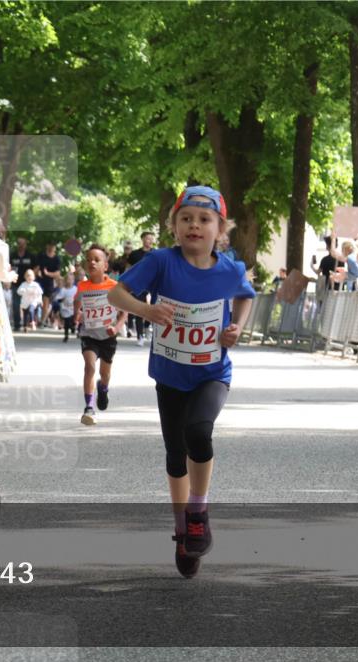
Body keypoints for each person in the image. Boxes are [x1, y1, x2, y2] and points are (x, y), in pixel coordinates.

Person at [108, 185, 255, 579]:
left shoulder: (230, 269)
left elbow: (245, 296)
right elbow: (117, 295)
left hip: (212, 373)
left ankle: (198, 512)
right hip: (171, 375)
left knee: (199, 433)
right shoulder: (160, 262)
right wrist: (146, 310)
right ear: (174, 227)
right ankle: (181, 529)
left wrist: (237, 327)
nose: (195, 225)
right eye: (186, 218)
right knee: (176, 456)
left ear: (220, 230)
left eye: (205, 219)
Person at [75, 244, 126, 426]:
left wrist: (116, 328)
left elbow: (124, 312)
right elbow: (77, 306)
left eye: (97, 260)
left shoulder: (113, 286)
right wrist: (77, 315)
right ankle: (89, 407)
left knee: (105, 373)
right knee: (89, 367)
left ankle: (103, 388)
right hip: (88, 335)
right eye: (89, 260)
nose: (92, 263)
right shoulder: (82, 286)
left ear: (105, 265)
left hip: (108, 336)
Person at [125, 232, 155, 345]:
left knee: (152, 307)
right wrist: (126, 281)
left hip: (152, 285)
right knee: (139, 310)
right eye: (147, 238)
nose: (150, 241)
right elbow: (128, 268)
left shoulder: (156, 254)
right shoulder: (134, 254)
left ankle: (147, 326)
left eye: (151, 239)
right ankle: (140, 336)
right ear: (142, 239)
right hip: (138, 284)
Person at [9, 237, 36, 331]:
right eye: (19, 243)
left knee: (28, 304)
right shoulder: (12, 255)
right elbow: (8, 267)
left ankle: (27, 323)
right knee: (16, 305)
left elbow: (36, 267)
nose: (21, 245)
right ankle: (17, 324)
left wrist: (31, 277)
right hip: (16, 283)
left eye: (23, 244)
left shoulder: (30, 255)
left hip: (27, 285)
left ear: (25, 245)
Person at [37, 242, 61, 327]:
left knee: (46, 302)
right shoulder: (42, 256)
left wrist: (48, 274)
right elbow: (37, 267)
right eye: (50, 245)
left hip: (49, 282)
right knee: (37, 301)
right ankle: (35, 320)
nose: (51, 248)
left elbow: (57, 273)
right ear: (47, 246)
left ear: (55, 248)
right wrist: (37, 272)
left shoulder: (57, 259)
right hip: (39, 281)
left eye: (53, 246)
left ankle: (42, 321)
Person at [56, 272, 78, 342]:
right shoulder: (63, 290)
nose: (70, 281)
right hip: (65, 308)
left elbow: (79, 297)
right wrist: (62, 299)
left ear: (73, 280)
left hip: (73, 308)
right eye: (68, 279)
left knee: (72, 321)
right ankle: (66, 335)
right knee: (66, 322)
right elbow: (58, 298)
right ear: (65, 280)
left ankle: (73, 327)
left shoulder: (75, 289)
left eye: (71, 279)